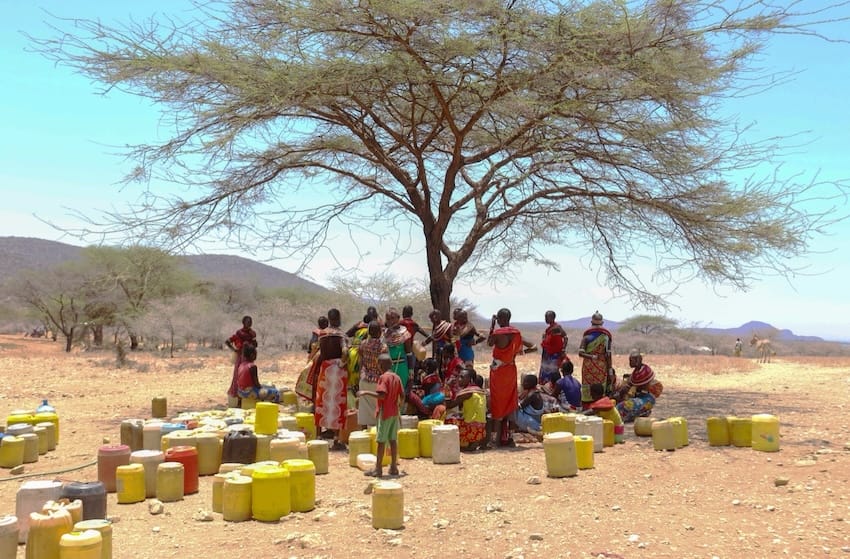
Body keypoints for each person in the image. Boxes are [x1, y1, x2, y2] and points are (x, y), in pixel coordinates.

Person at [487, 308, 537, 448]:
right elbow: (534, 347)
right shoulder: (516, 333)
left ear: (500, 319)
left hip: (498, 372)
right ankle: (509, 439)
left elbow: (489, 343)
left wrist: (492, 325)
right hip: (511, 370)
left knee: (498, 402)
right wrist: (517, 354)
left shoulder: (497, 333)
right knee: (510, 401)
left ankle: (495, 440)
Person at [357, 353, 402, 478]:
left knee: (381, 441)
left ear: (381, 365)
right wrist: (398, 406)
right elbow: (402, 396)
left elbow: (382, 395)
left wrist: (365, 392)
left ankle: (378, 469)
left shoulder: (383, 378)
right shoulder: (397, 377)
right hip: (394, 412)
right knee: (393, 440)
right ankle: (393, 467)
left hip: (385, 413)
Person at [311, 308, 349, 450]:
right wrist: (343, 362)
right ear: (338, 318)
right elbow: (345, 351)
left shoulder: (322, 334)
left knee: (322, 401)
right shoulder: (341, 335)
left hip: (325, 368)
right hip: (338, 370)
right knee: (337, 403)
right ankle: (336, 439)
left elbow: (317, 351)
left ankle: (318, 436)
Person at [443, 367, 488, 451]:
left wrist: (447, 386)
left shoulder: (467, 392)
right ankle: (471, 442)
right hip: (481, 431)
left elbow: (449, 405)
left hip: (472, 430)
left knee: (447, 419)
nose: (458, 379)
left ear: (470, 380)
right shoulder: (479, 390)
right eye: (459, 376)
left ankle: (465, 442)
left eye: (462, 377)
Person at [614, 350, 663, 423]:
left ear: (638, 360)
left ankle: (623, 416)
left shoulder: (643, 372)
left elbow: (631, 385)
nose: (630, 363)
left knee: (624, 405)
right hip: (641, 396)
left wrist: (620, 393)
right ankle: (641, 413)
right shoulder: (639, 370)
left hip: (646, 398)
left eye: (631, 360)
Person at [577, 311, 613, 409]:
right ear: (602, 323)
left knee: (588, 387)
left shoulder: (587, 337)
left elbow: (580, 353)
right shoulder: (606, 336)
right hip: (602, 366)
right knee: (600, 387)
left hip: (588, 366)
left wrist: (591, 357)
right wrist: (610, 371)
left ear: (591, 323)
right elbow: (608, 355)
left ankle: (587, 408)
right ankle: (600, 407)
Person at [356, 321, 388, 428]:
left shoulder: (363, 344)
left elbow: (361, 361)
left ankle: (364, 433)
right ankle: (376, 435)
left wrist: (359, 375)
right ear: (379, 333)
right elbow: (384, 365)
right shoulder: (383, 347)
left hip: (364, 379)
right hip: (377, 381)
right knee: (378, 408)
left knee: (364, 407)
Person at [225, 315, 258, 401]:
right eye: (248, 322)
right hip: (240, 357)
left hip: (249, 357)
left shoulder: (252, 333)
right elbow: (228, 341)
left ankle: (247, 395)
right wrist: (235, 350)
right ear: (243, 323)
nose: (250, 323)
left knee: (249, 375)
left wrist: (253, 345)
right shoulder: (239, 333)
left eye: (251, 322)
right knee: (238, 376)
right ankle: (238, 396)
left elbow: (255, 344)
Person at [384, 307, 413, 389]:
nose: (390, 321)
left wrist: (411, 371)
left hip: (401, 367)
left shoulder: (404, 333)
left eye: (393, 318)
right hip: (387, 369)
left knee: (399, 395)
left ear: (398, 318)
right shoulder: (384, 334)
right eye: (388, 319)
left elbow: (409, 353)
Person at [539, 310, 570, 384]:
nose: (546, 319)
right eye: (545, 317)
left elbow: (565, 337)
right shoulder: (548, 329)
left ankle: (553, 386)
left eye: (547, 317)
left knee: (553, 371)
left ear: (553, 318)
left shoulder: (557, 327)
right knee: (546, 370)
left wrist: (563, 349)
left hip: (554, 354)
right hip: (547, 353)